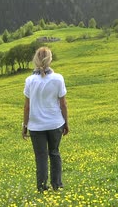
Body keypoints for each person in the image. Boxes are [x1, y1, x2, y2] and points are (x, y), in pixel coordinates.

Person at [22, 46, 69, 192]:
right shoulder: (58, 78)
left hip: (36, 126)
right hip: (55, 123)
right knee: (54, 152)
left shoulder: (30, 80)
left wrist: (25, 126)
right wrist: (66, 123)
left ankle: (42, 187)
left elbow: (27, 107)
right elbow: (63, 104)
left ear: (35, 59)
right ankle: (57, 185)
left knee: (41, 157)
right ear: (50, 59)